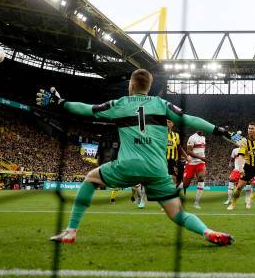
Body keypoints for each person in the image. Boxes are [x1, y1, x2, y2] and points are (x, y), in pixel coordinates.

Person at [38, 69, 239, 246]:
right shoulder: (161, 104)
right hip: (157, 170)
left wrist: (61, 102)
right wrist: (221, 131)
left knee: (91, 178)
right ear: (149, 86)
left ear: (131, 84)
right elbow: (190, 119)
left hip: (128, 166)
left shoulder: (120, 104)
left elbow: (85, 109)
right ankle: (207, 231)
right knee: (177, 214)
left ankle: (70, 231)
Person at [180, 130, 208, 209]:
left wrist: (202, 159)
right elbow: (189, 151)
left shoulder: (203, 138)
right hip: (191, 163)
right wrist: (201, 157)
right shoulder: (192, 138)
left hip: (201, 163)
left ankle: (196, 203)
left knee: (201, 178)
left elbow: (201, 150)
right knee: (185, 184)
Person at [166, 119, 187, 185]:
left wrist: (186, 156)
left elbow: (179, 147)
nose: (167, 123)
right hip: (161, 160)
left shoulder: (176, 135)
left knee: (173, 176)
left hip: (172, 160)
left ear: (172, 124)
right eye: (166, 121)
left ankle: (173, 191)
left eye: (169, 122)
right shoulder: (158, 134)